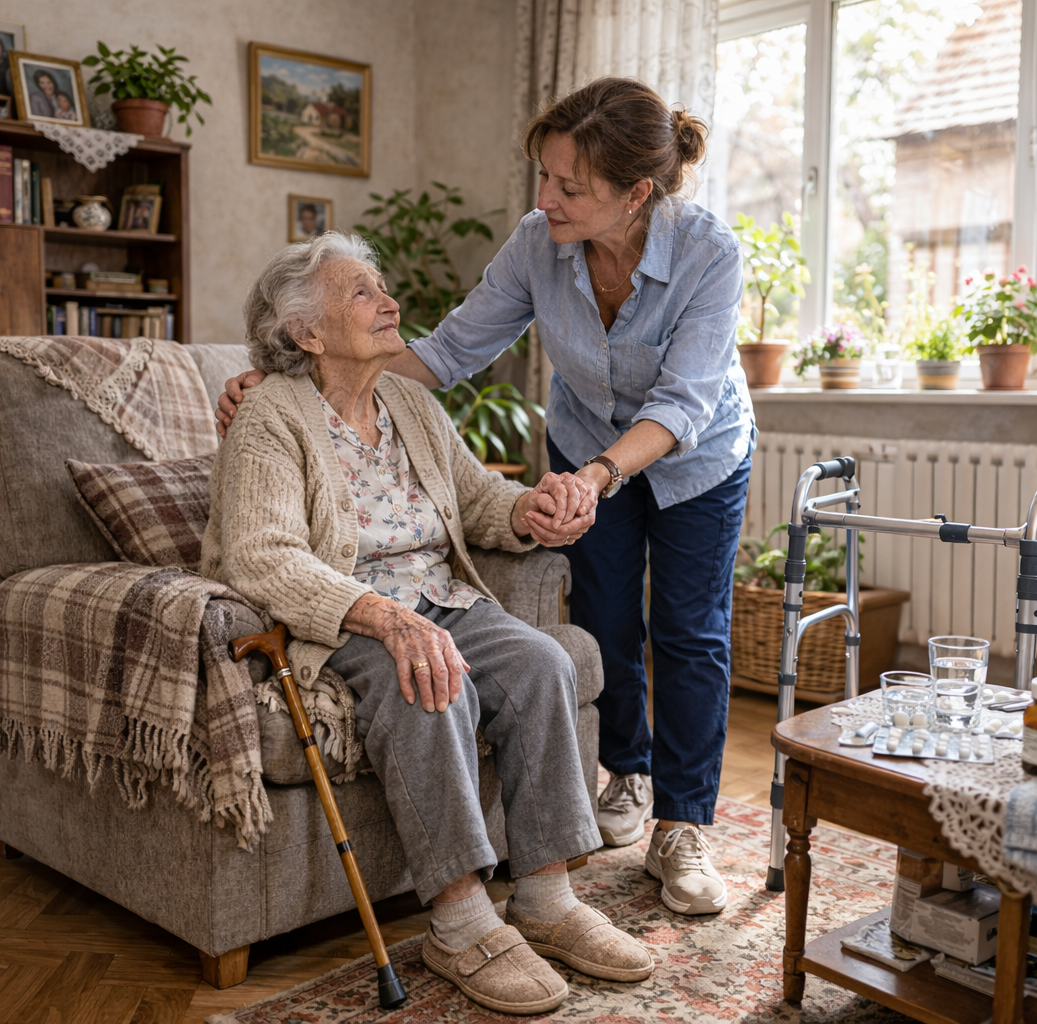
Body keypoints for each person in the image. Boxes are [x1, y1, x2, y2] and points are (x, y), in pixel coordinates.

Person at [219, 77, 754, 917]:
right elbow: (446, 353)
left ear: (635, 194)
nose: (545, 200)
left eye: (570, 186)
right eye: (545, 176)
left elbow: (682, 404)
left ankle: (682, 825)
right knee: (607, 617)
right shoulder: (540, 242)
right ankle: (628, 774)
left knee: (690, 631)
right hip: (583, 442)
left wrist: (596, 478)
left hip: (694, 455)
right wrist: (288, 372)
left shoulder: (708, 253)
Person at [203, 233, 653, 1015]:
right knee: (428, 683)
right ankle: (460, 922)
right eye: (362, 293)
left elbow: (476, 500)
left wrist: (532, 509)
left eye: (382, 287)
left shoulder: (410, 402)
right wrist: (382, 616)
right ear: (306, 332)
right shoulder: (270, 416)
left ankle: (546, 900)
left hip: (442, 603)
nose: (391, 303)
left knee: (544, 662)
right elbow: (262, 556)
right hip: (343, 618)